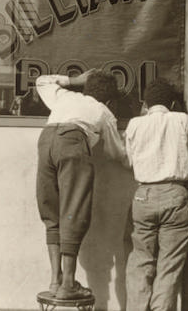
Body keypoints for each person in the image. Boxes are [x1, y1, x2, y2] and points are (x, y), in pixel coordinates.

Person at [35, 69, 127, 300]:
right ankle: (68, 284)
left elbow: (41, 81)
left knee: (51, 213)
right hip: (74, 142)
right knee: (73, 212)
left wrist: (75, 80)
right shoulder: (104, 111)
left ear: (86, 88)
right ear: (109, 99)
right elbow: (117, 153)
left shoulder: (67, 97)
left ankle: (55, 281)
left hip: (46, 141)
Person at [124, 78, 188, 311]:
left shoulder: (135, 123)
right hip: (175, 194)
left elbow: (129, 160)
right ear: (174, 103)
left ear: (145, 104)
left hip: (144, 195)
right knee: (169, 266)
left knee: (140, 260)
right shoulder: (182, 119)